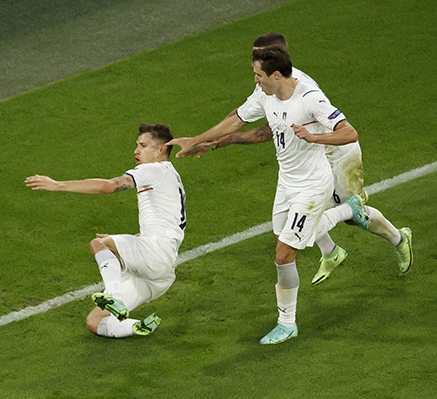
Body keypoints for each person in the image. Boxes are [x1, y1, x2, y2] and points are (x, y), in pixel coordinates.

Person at [177, 32, 413, 286]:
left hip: (336, 151)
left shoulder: (303, 90)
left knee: (351, 217)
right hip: (309, 154)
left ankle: (399, 239)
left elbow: (279, 131)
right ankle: (331, 251)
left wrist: (227, 139)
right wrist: (206, 139)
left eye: (258, 55)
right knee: (297, 214)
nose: (253, 59)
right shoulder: (267, 85)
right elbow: (242, 119)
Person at [173, 46, 369, 345]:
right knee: (282, 240)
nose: (255, 81)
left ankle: (287, 323)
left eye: (258, 75)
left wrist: (314, 136)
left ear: (276, 75)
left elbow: (349, 132)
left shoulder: (310, 98)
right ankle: (347, 213)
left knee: (283, 254)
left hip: (312, 187)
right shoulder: (266, 95)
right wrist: (198, 140)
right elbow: (237, 119)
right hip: (286, 184)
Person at [25, 123, 186, 339]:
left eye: (143, 145)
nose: (136, 151)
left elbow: (107, 186)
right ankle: (136, 326)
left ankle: (114, 296)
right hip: (160, 274)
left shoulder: (154, 169)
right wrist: (125, 240)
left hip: (154, 255)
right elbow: (166, 227)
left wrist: (57, 185)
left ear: (161, 149)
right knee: (94, 322)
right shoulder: (170, 176)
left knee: (98, 244)